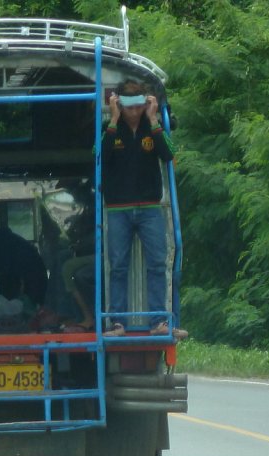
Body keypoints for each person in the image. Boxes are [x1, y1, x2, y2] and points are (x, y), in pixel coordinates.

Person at [101, 81, 187, 339]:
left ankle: (159, 321)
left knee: (157, 264)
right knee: (117, 266)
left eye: (139, 104)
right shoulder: (110, 129)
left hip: (150, 208)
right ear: (118, 103)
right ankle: (117, 323)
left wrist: (154, 118)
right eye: (128, 105)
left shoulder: (153, 127)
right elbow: (100, 157)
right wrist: (114, 120)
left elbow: (169, 154)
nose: (134, 110)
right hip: (118, 209)